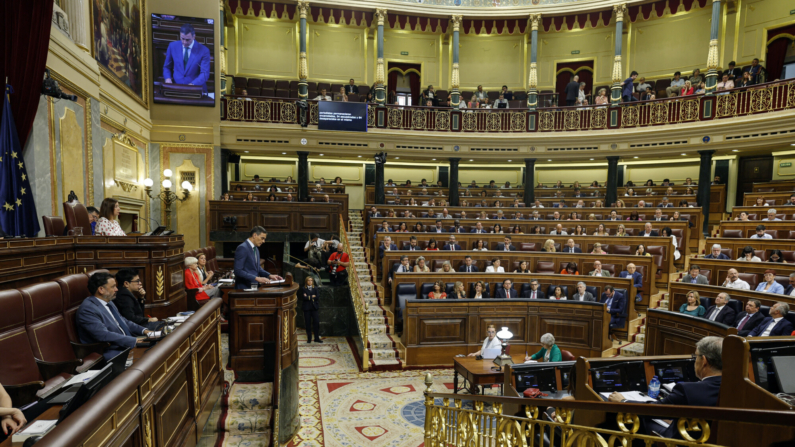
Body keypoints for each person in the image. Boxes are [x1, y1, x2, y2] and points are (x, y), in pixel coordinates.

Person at [608, 337, 724, 440]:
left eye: (695, 356)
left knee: (642, 417)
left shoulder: (688, 390)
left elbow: (653, 410)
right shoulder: (738, 389)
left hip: (678, 442)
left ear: (704, 361)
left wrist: (623, 401)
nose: (694, 360)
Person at [76, 272, 155, 360]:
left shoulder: (108, 302)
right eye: (113, 286)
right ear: (101, 289)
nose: (117, 289)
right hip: (112, 350)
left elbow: (124, 321)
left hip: (127, 344)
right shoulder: (88, 309)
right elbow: (103, 335)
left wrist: (146, 331)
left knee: (157, 346)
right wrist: (133, 341)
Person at [163, 24, 211, 92]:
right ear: (180, 35)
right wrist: (167, 78)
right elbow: (167, 67)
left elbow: (205, 73)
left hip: (196, 89)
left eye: (187, 40)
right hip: (176, 87)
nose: (184, 42)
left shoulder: (204, 51)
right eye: (182, 39)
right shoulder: (172, 46)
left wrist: (192, 85)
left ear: (194, 36)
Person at [300, 276, 322, 343]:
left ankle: (316, 338)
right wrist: (311, 296)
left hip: (314, 308)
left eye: (311, 280)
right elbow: (304, 298)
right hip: (306, 308)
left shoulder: (315, 288)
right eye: (308, 280)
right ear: (306, 281)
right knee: (308, 323)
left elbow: (317, 296)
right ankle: (309, 338)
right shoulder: (303, 288)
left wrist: (308, 296)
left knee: (316, 322)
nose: (310, 282)